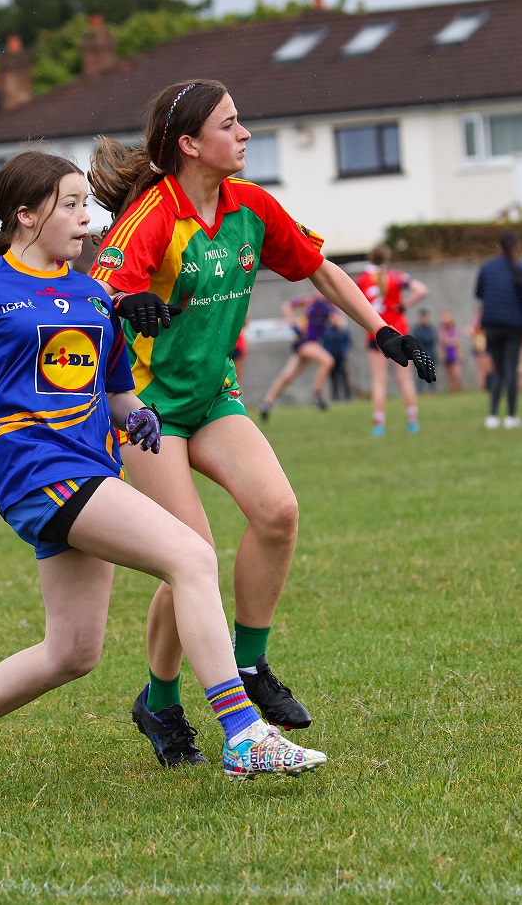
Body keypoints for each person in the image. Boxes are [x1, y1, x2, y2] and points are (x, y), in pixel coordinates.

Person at [0, 150, 329, 800]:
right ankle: (244, 735)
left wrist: (141, 421)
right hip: (38, 472)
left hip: (90, 468)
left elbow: (118, 394)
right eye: (70, 205)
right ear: (25, 215)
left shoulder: (96, 296)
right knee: (191, 555)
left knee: (72, 652)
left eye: (86, 205)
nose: (87, 219)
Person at [87, 79, 436, 768]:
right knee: (189, 554)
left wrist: (384, 332)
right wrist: (127, 306)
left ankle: (249, 667)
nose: (245, 134)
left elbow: (320, 269)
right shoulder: (155, 214)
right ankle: (161, 700)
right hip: (148, 408)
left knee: (278, 511)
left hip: (212, 397)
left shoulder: (251, 206)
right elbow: (98, 287)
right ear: (190, 145)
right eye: (231, 124)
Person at [354, 246, 429, 436]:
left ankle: (378, 425)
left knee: (379, 381)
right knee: (405, 379)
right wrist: (405, 305)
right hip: (399, 331)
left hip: (376, 333)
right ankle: (413, 422)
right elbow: (421, 290)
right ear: (387, 258)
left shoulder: (363, 279)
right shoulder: (396, 276)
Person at [258, 293, 336, 417]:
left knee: (287, 377)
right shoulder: (310, 301)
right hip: (305, 342)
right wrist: (294, 324)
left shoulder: (330, 305)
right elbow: (287, 306)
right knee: (328, 361)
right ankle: (316, 396)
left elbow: (339, 324)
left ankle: (266, 403)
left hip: (313, 344)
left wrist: (332, 314)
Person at [475, 229, 522, 429]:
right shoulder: (518, 268)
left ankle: (493, 416)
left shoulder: (487, 268)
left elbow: (478, 294)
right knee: (511, 369)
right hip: (513, 326)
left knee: (497, 369)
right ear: (515, 246)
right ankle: (511, 416)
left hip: (492, 325)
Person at [322, 310, 353, 402]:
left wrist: (343, 351)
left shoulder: (343, 331)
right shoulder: (328, 331)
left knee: (344, 377)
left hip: (341, 358)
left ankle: (347, 396)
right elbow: (325, 343)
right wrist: (328, 353)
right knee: (333, 378)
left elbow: (348, 343)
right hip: (331, 358)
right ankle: (335, 397)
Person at [465, 308, 493, 392]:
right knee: (482, 370)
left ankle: (489, 387)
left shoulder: (487, 320)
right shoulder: (477, 321)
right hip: (480, 349)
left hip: (488, 348)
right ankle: (483, 387)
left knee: (489, 369)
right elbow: (469, 332)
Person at [412, 309, 438, 394]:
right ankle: (419, 392)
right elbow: (417, 340)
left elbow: (432, 339)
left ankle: (432, 391)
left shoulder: (431, 328)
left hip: (430, 354)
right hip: (420, 355)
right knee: (421, 374)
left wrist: (425, 338)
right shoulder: (416, 329)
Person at [438, 311, 463, 393]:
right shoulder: (442, 330)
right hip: (446, 352)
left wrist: (459, 352)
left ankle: (458, 388)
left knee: (456, 372)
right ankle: (452, 389)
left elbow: (456, 342)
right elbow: (442, 341)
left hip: (453, 352)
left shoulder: (454, 329)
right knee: (449, 373)